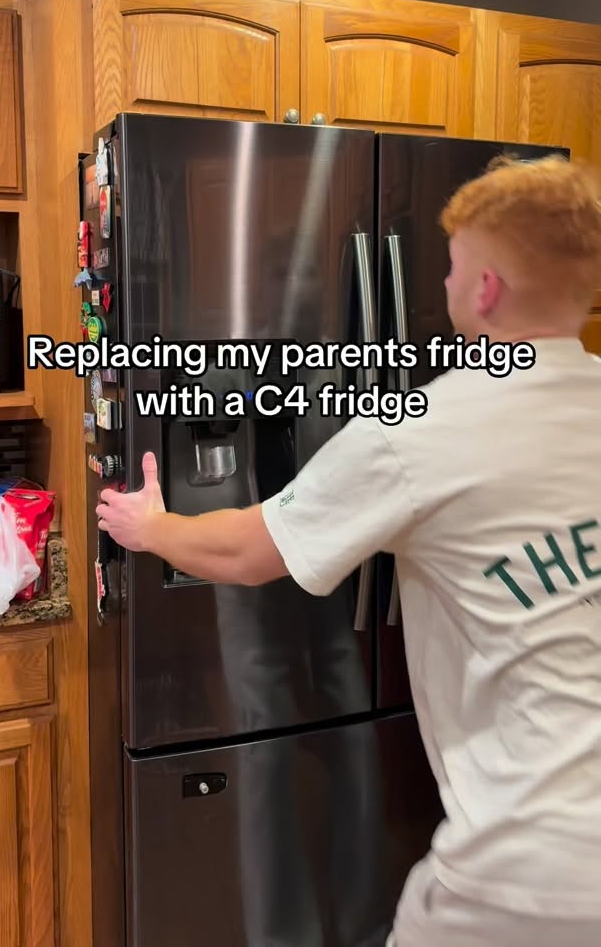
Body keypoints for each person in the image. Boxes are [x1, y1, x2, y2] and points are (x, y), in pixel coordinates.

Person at [96, 153, 601, 947]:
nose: (442, 283)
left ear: (485, 288)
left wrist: (149, 527)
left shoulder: (422, 430)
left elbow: (247, 551)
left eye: (452, 265)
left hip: (522, 869)